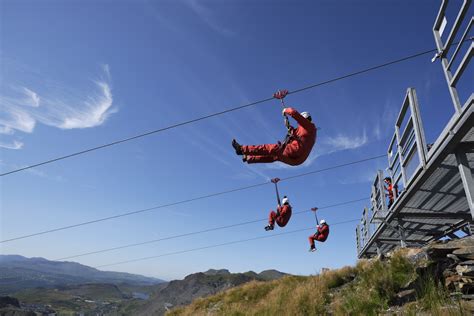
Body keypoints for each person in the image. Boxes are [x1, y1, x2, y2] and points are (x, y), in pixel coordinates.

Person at [232, 106, 317, 166]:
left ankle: (242, 149)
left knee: (271, 148)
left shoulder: (309, 126)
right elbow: (295, 134)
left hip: (294, 152)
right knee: (274, 157)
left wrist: (285, 110)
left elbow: (293, 112)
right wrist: (287, 124)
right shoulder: (309, 132)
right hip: (297, 160)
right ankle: (249, 158)